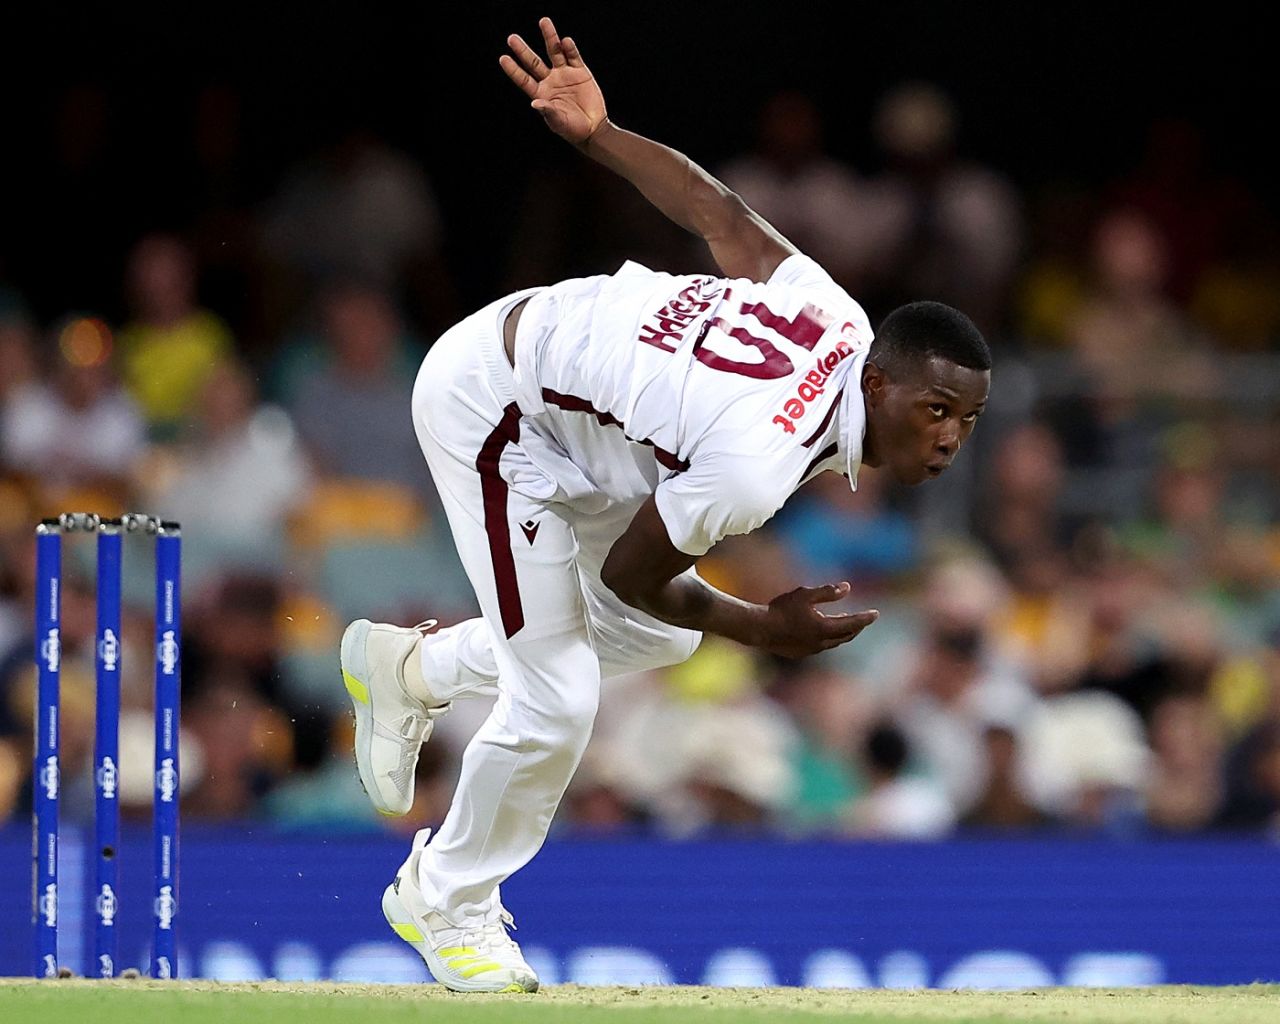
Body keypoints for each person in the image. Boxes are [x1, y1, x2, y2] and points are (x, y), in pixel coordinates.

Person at [338, 18, 991, 994]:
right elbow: (631, 572)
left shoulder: (842, 320)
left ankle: (414, 667)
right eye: (936, 411)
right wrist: (763, 627)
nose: (947, 438)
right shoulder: (757, 465)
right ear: (880, 385)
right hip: (499, 406)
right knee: (560, 692)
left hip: (581, 411)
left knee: (663, 637)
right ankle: (442, 897)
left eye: (967, 421)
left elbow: (718, 212)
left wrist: (603, 135)